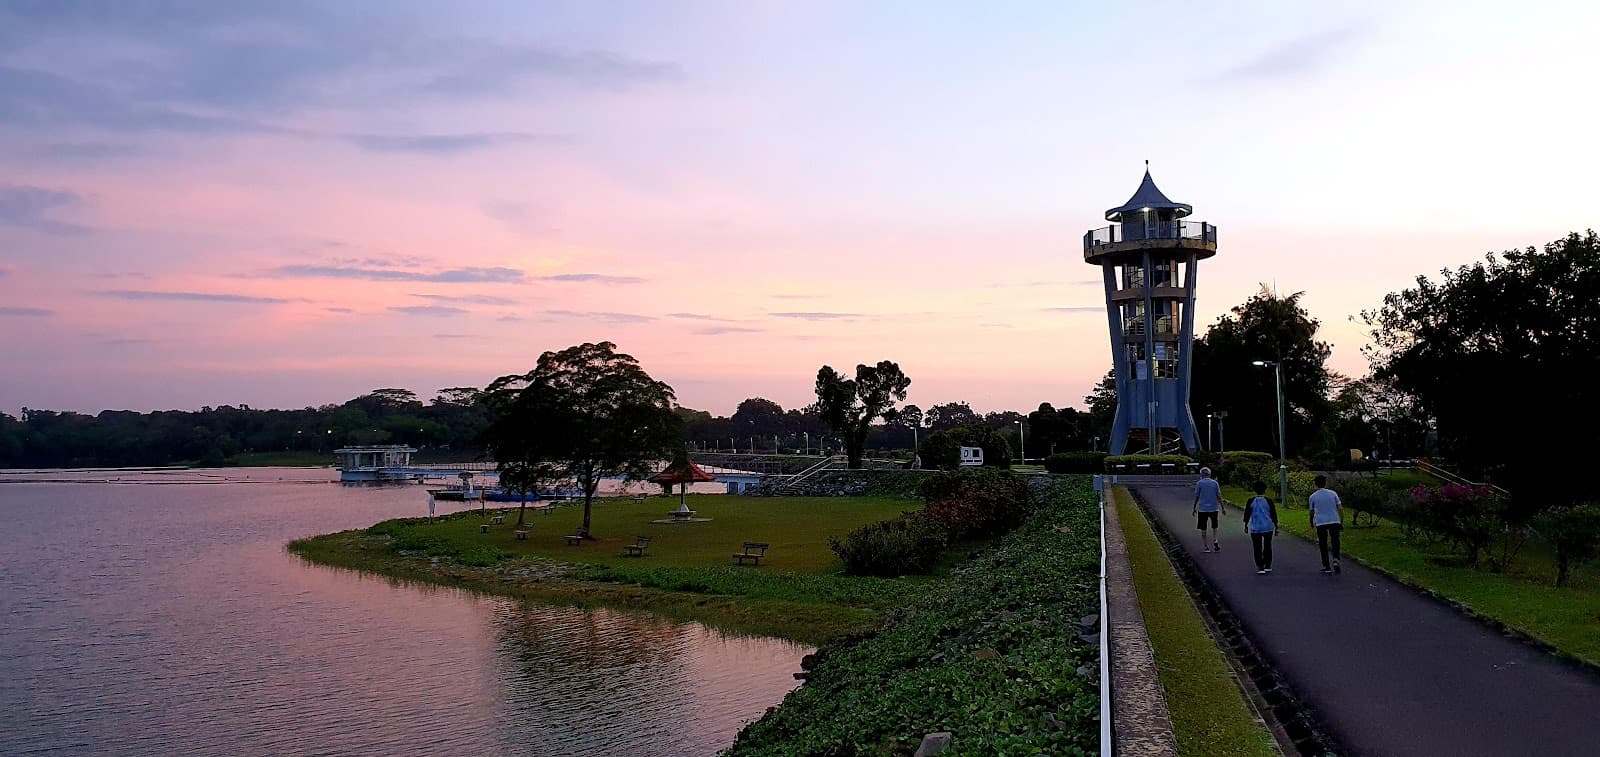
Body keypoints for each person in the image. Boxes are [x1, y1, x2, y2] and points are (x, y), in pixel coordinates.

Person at [1309, 474, 1343, 574]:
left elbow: (1311, 512)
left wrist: (1311, 522)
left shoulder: (1313, 496)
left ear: (1315, 484)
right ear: (1325, 483)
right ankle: (1336, 558)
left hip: (1321, 522)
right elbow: (1340, 508)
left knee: (1323, 543)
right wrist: (1341, 521)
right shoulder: (1333, 493)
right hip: (1334, 520)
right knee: (1335, 540)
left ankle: (1327, 566)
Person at [1242, 480, 1278, 574]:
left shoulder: (1251, 501)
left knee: (1257, 547)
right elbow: (1273, 514)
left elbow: (1247, 514)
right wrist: (1276, 526)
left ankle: (1260, 566)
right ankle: (1268, 564)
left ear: (1255, 490)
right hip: (1268, 526)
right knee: (1267, 546)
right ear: (1265, 490)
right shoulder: (1269, 501)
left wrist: (1246, 525)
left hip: (1255, 527)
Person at [1192, 467, 1225, 553]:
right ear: (1209, 474)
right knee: (1214, 525)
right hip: (1213, 508)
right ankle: (1215, 539)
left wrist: (1194, 507)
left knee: (1203, 528)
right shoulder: (1215, 483)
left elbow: (1197, 496)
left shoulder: (1199, 483)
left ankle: (1206, 547)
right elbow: (1219, 496)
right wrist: (1222, 507)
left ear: (1201, 474)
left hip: (1203, 509)